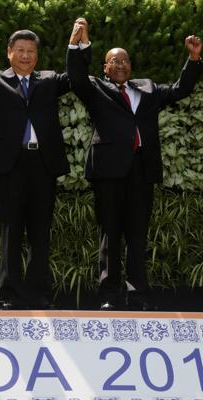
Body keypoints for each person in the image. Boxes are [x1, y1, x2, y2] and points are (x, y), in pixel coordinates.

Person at [67, 19, 202, 311]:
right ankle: (109, 296)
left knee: (138, 235)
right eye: (114, 61)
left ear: (131, 66)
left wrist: (193, 59)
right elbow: (76, 77)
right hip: (109, 172)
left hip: (142, 170)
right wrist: (79, 43)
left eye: (125, 60)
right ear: (105, 67)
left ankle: (138, 295)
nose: (120, 65)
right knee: (110, 234)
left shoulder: (148, 88)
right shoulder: (95, 89)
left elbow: (180, 90)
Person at [0, 11, 77, 310]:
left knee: (40, 230)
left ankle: (38, 292)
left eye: (31, 51)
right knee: (11, 230)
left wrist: (77, 45)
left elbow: (76, 77)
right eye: (21, 51)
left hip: (42, 163)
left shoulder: (50, 80)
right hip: (10, 165)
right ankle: (11, 294)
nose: (26, 56)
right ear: (10, 52)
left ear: (37, 56)